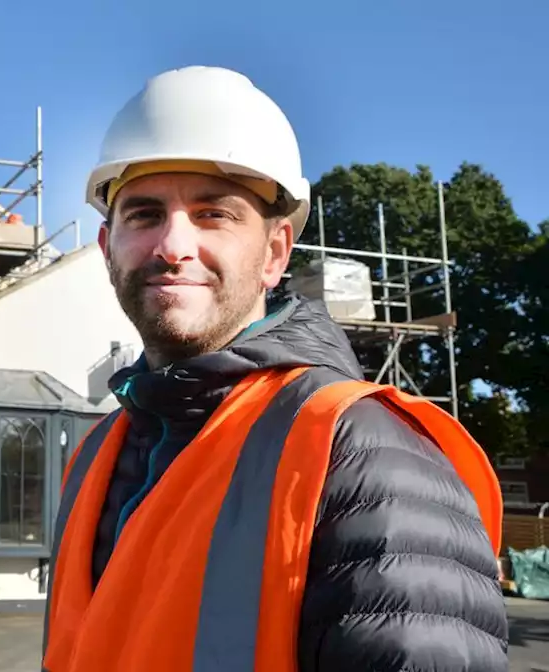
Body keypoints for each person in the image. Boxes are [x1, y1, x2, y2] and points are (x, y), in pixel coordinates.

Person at [42, 66, 508, 672]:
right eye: (144, 214)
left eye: (214, 214)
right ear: (107, 247)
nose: (173, 245)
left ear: (275, 253)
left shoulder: (360, 448)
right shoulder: (97, 452)